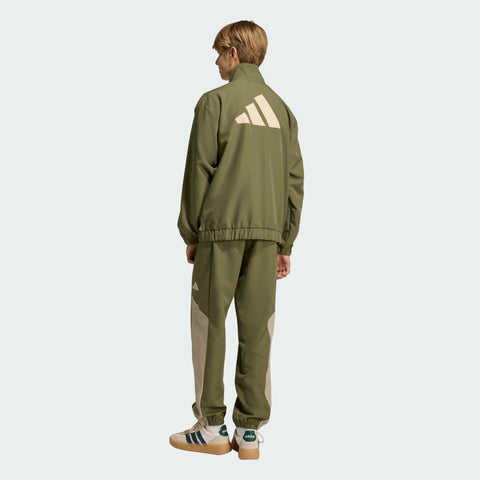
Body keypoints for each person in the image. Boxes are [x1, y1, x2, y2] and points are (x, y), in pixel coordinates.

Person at [169, 20, 304, 460]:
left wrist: (192, 232)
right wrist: (285, 241)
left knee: (209, 322)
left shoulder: (215, 102)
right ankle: (249, 433)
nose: (215, 62)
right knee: (258, 327)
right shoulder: (283, 110)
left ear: (233, 52)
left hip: (220, 233)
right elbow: (294, 180)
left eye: (218, 53)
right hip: (267, 236)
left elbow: (199, 170)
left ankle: (211, 427)